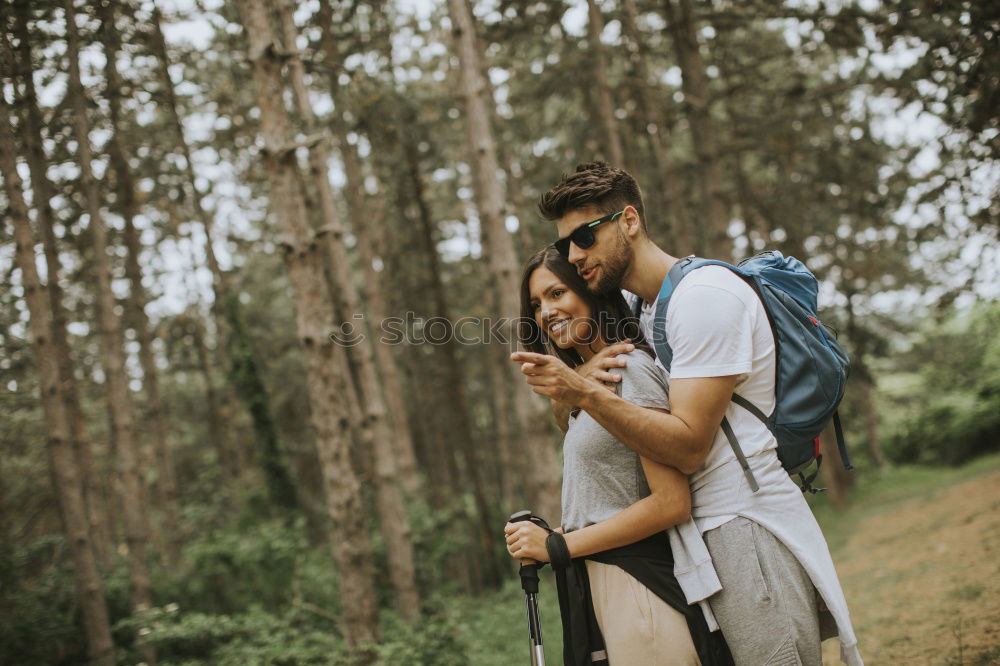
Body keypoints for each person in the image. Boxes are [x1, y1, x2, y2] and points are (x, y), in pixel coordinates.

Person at [511, 162, 863, 666]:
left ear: (628, 220)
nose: (574, 254)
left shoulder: (703, 298)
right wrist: (573, 391)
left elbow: (689, 446)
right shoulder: (648, 307)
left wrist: (583, 393)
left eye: (585, 236)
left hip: (746, 525)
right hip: (706, 536)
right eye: (566, 243)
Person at [504, 246, 732, 666]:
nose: (546, 312)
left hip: (639, 588)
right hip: (605, 587)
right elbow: (614, 497)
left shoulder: (629, 369)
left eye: (557, 294)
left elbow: (671, 503)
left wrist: (558, 545)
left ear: (590, 292)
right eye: (537, 304)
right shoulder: (590, 387)